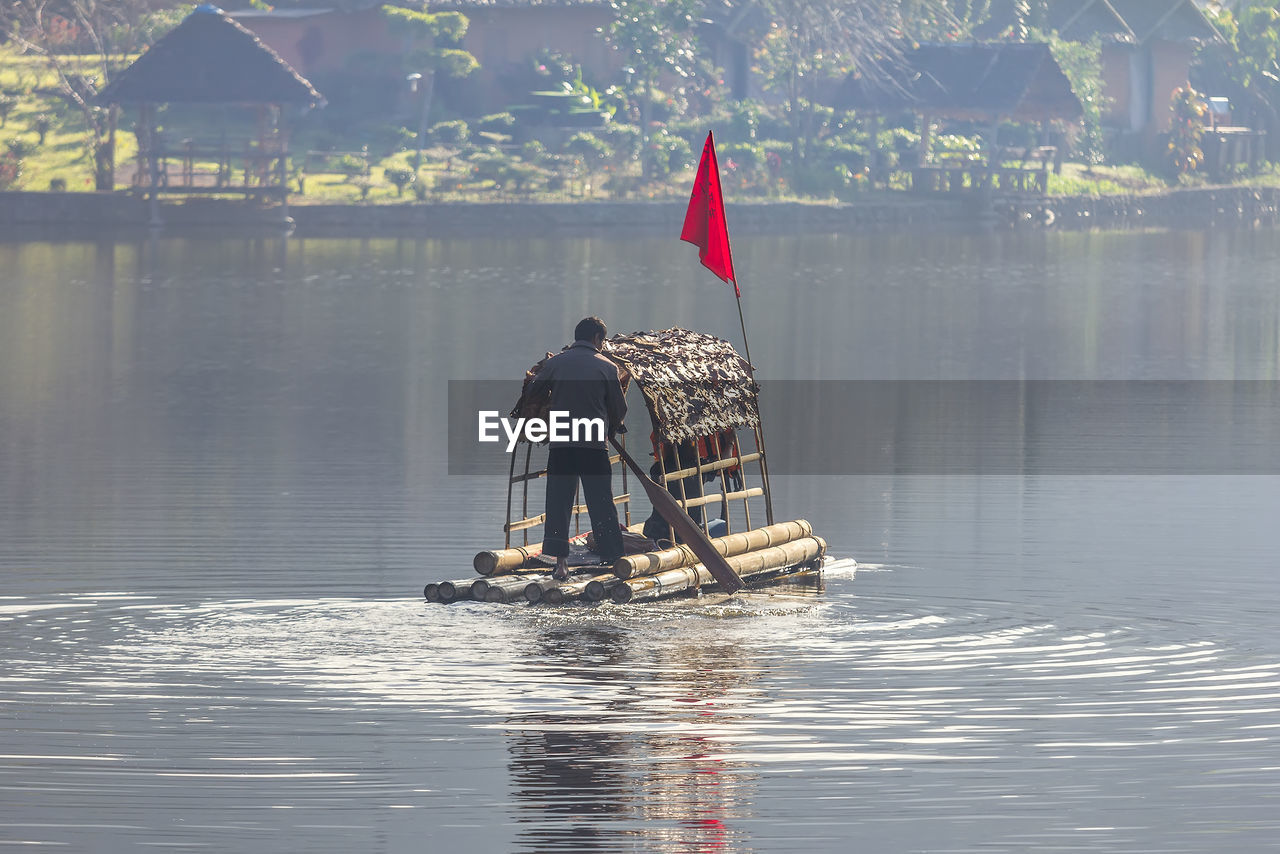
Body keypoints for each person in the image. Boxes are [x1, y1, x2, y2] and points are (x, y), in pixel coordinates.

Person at [526, 317, 627, 580]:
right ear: (596, 339)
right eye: (602, 341)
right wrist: (611, 426)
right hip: (593, 446)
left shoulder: (556, 363)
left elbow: (534, 391)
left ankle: (560, 564)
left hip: (562, 445)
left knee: (559, 502)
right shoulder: (607, 367)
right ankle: (612, 558)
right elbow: (619, 407)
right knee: (601, 502)